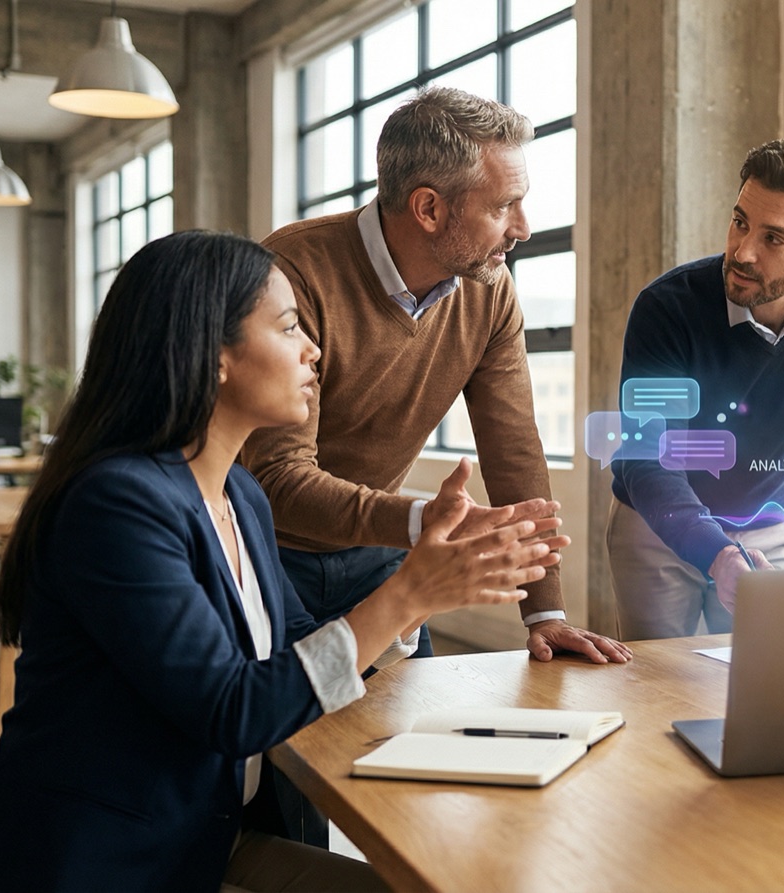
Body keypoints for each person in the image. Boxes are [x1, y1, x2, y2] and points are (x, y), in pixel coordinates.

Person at [0, 231, 565, 891]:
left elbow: (293, 643)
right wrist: (407, 594)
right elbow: (235, 709)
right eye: (290, 325)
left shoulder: (239, 492)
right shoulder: (115, 504)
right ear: (213, 355)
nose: (313, 350)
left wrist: (422, 600)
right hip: (95, 863)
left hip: (199, 837)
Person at [242, 87, 628, 666]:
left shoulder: (489, 291)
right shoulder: (292, 274)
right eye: (503, 207)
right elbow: (277, 479)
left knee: (409, 745)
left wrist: (545, 612)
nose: (523, 227)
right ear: (429, 209)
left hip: (385, 549)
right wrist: (424, 519)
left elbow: (514, 450)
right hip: (271, 556)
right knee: (297, 743)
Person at [607, 137, 784, 639]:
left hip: (769, 525)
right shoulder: (667, 307)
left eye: (774, 238)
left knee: (767, 686)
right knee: (655, 686)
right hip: (657, 525)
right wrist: (715, 553)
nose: (743, 251)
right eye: (740, 222)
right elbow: (646, 457)